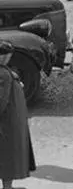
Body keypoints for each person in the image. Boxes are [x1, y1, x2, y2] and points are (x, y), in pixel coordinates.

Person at [0, 41, 36, 189]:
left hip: (8, 120)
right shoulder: (3, 74)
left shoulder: (4, 72)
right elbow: (1, 101)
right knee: (8, 157)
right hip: (7, 123)